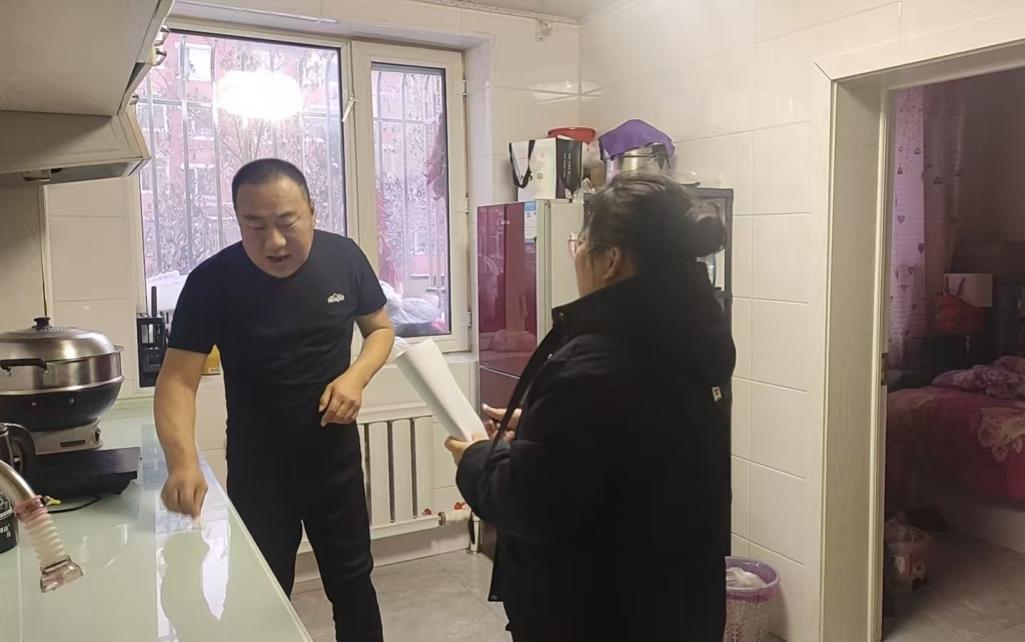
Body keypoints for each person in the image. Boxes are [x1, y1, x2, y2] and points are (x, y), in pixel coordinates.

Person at [446, 174, 735, 641]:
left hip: (597, 611)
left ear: (612, 260)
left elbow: (532, 503)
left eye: (579, 243)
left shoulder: (593, 364)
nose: (576, 255)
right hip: (682, 602)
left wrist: (477, 457)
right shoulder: (699, 334)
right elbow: (635, 442)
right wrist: (538, 425)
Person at [155, 158, 394, 642]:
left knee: (353, 584)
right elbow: (178, 380)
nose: (275, 242)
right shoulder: (211, 282)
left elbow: (381, 330)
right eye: (255, 225)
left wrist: (355, 378)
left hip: (334, 460)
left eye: (287, 221)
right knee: (261, 594)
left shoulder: (345, 258)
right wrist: (182, 463)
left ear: (311, 211)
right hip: (258, 467)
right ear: (237, 219)